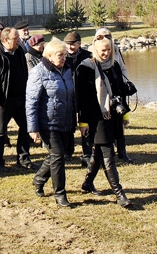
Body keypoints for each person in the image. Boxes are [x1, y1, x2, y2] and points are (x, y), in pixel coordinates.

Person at [76, 31, 133, 208]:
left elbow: (120, 92)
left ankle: (87, 182)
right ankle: (120, 194)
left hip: (112, 115)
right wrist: (83, 123)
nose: (106, 53)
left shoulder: (114, 65)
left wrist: (124, 114)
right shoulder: (85, 68)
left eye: (109, 49)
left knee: (99, 153)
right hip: (95, 118)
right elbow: (81, 99)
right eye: (102, 50)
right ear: (94, 49)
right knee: (108, 155)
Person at [26, 38, 75, 207]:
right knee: (58, 157)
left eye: (65, 55)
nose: (63, 58)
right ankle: (60, 194)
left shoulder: (67, 70)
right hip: (48, 122)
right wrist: (33, 128)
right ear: (49, 56)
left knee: (56, 155)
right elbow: (31, 101)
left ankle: (39, 179)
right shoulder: (39, 72)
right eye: (60, 55)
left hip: (66, 120)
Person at [0, 27, 35, 171]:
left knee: (26, 127)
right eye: (15, 38)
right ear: (6, 40)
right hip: (3, 101)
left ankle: (23, 158)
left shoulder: (19, 51)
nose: (18, 41)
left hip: (20, 98)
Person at [92, 28, 135, 164]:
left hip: (117, 89)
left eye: (107, 36)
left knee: (120, 123)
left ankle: (122, 152)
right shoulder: (93, 56)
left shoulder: (115, 50)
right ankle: (104, 155)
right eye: (101, 36)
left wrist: (123, 82)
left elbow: (122, 67)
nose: (104, 38)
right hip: (104, 94)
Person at [64, 31, 93, 166]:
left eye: (73, 44)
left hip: (84, 95)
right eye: (68, 44)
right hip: (68, 95)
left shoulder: (88, 57)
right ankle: (68, 151)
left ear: (79, 44)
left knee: (85, 124)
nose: (70, 47)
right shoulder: (63, 57)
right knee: (69, 125)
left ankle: (87, 153)